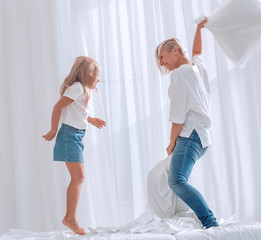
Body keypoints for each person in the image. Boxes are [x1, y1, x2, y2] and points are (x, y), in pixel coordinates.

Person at [155, 18, 219, 229]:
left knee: (176, 181)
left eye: (162, 57)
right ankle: (207, 220)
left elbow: (178, 117)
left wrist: (171, 143)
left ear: (175, 50)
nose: (162, 63)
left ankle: (210, 222)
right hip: (203, 138)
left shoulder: (179, 74)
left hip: (190, 135)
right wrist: (199, 28)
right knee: (177, 179)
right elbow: (198, 52)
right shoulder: (196, 68)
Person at [43, 56, 106, 235]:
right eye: (97, 76)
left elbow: (76, 112)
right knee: (78, 178)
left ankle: (70, 216)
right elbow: (58, 108)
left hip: (75, 135)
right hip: (69, 135)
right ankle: (70, 217)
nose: (99, 80)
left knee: (79, 178)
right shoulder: (77, 88)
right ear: (89, 74)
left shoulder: (83, 89)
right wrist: (53, 130)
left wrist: (91, 119)